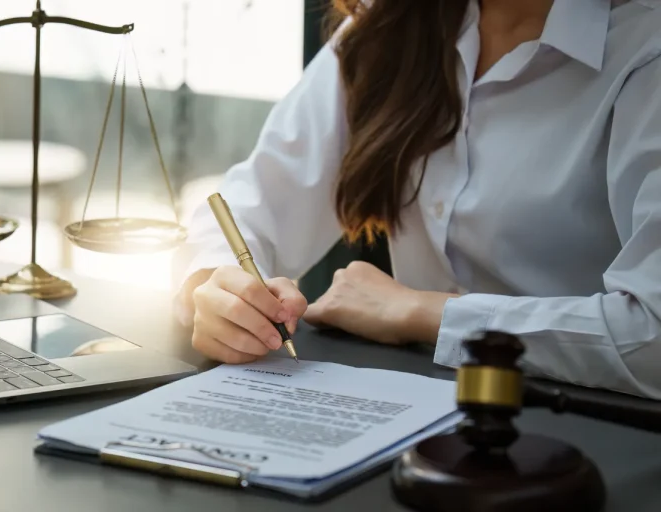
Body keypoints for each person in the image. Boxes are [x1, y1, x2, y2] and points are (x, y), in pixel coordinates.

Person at [174, 0, 661, 399]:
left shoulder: (644, 49)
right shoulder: (392, 23)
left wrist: (421, 312)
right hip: (403, 409)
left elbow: (653, 336)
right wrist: (219, 288)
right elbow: (253, 202)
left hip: (588, 426)